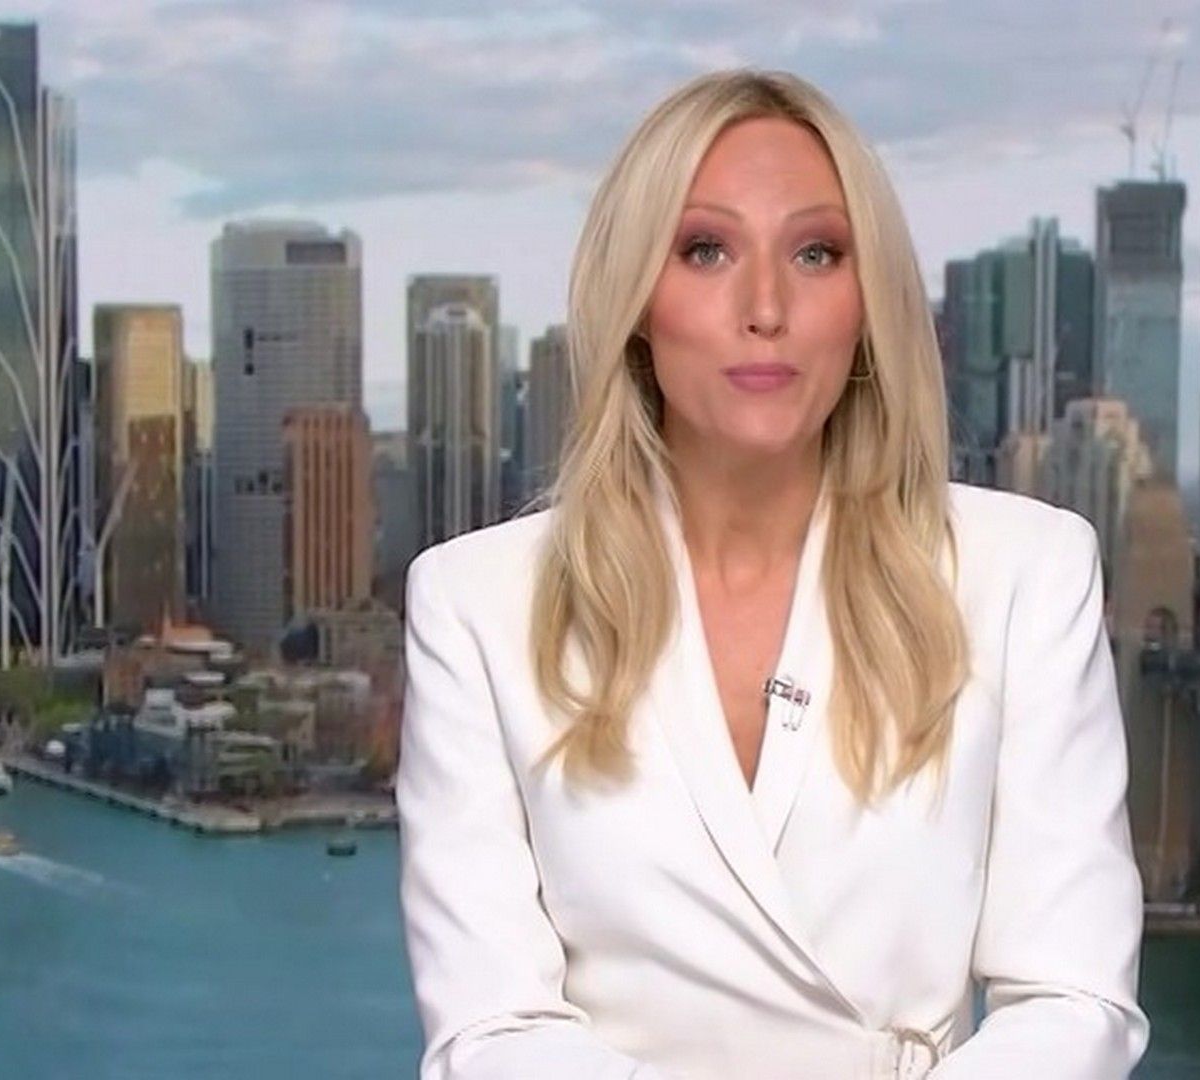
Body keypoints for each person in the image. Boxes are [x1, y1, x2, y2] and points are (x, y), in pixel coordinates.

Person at [398, 67, 1149, 1080]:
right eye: (705, 250)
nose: (766, 306)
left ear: (868, 302)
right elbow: (491, 1032)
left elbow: (1073, 1002)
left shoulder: (1027, 576)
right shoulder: (476, 606)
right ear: (635, 298)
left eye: (816, 253)